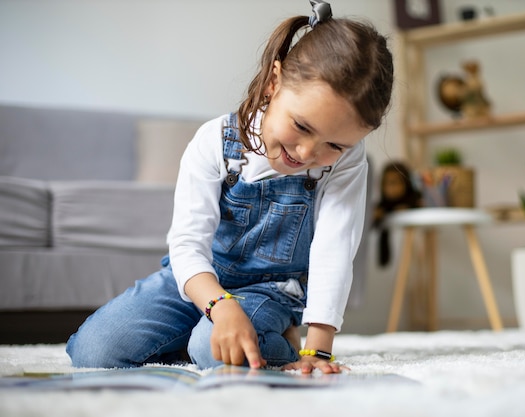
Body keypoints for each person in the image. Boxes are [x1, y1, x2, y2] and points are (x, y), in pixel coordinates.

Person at [66, 0, 394, 375]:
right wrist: (221, 308)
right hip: (199, 281)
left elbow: (333, 248)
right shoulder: (214, 141)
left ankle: (253, 338)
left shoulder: (348, 160)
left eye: (334, 146)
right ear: (274, 83)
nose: (306, 153)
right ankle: (215, 333)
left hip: (269, 291)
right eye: (302, 127)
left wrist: (317, 352)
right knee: (93, 351)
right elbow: (187, 246)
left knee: (210, 349)